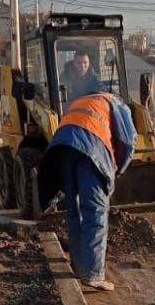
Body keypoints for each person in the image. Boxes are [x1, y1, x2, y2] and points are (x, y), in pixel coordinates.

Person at [41, 91, 137, 291]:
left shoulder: (81, 100)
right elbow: (127, 142)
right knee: (95, 212)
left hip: (63, 150)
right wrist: (119, 169)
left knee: (74, 211)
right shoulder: (118, 104)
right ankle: (93, 273)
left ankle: (79, 265)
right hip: (91, 151)